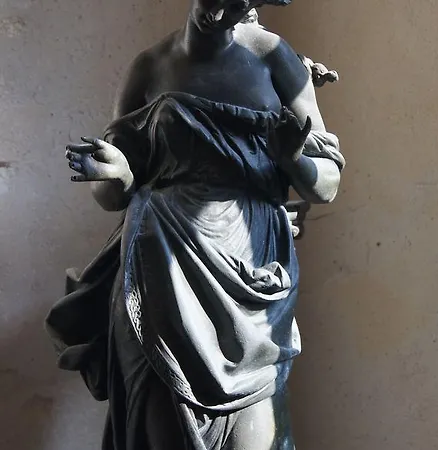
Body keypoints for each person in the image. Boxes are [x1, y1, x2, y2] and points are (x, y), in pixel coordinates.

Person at [46, 1, 345, 449]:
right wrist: (119, 175)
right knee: (161, 421)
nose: (221, 11)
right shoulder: (149, 66)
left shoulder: (274, 57)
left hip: (248, 271)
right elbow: (112, 195)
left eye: (238, 3)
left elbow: (326, 185)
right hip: (160, 264)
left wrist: (294, 160)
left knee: (256, 428)